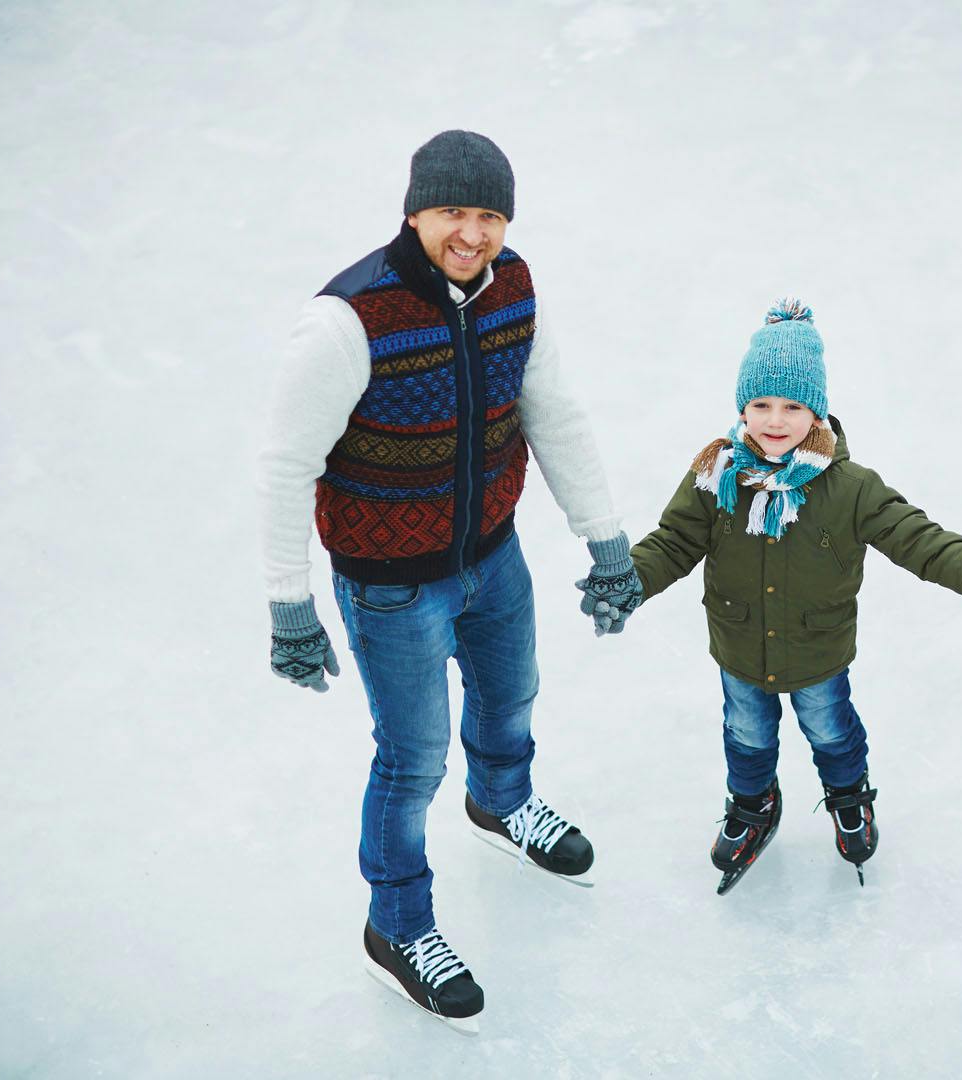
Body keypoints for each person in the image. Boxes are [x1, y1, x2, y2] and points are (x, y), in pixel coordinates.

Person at [257, 130, 643, 1029]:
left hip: (492, 555)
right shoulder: (349, 318)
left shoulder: (513, 288)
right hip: (391, 584)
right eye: (452, 212)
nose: (472, 234)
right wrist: (290, 606)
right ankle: (395, 926)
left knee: (512, 697)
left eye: (489, 215)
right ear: (414, 213)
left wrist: (605, 540)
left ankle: (501, 803)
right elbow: (284, 465)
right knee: (412, 759)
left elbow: (554, 411)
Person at [625, 300, 962, 894]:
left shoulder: (850, 488)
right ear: (742, 408)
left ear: (817, 411)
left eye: (793, 407)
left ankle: (849, 795)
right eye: (761, 405)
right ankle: (753, 803)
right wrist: (628, 581)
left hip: (816, 649)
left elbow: (916, 537)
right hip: (740, 644)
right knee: (746, 734)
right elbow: (674, 541)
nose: (775, 421)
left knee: (831, 731)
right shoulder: (717, 474)